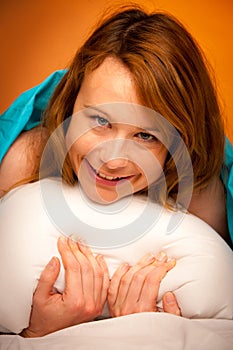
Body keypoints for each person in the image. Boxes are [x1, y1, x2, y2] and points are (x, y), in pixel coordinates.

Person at [0, 4, 232, 337]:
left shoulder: (202, 198)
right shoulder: (21, 162)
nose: (113, 160)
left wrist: (144, 326)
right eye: (100, 121)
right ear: (70, 103)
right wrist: (35, 333)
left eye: (146, 136)